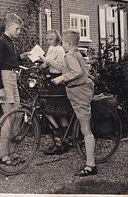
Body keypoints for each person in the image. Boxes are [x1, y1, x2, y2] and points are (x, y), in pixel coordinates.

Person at [52, 29, 96, 176]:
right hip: (77, 92)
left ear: (68, 43)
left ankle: (91, 165)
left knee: (86, 129)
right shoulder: (74, 54)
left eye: (63, 42)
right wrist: (46, 60)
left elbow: (76, 72)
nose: (61, 45)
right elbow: (63, 66)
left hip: (80, 94)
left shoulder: (70, 55)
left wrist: (61, 78)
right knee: (81, 125)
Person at [0, 13, 29, 165]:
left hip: (11, 78)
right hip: (4, 79)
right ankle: (2, 154)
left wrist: (21, 56)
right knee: (8, 116)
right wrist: (0, 88)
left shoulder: (9, 42)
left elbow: (9, 61)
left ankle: (12, 151)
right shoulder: (1, 42)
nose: (19, 32)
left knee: (18, 114)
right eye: (17, 29)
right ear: (8, 27)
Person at [39, 30, 70, 155]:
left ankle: (59, 142)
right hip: (54, 81)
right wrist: (43, 64)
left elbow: (60, 66)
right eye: (47, 39)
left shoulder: (59, 49)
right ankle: (64, 141)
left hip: (58, 82)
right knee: (59, 113)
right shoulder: (53, 49)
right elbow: (47, 64)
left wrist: (45, 60)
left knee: (49, 112)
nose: (48, 41)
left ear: (57, 38)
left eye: (51, 39)